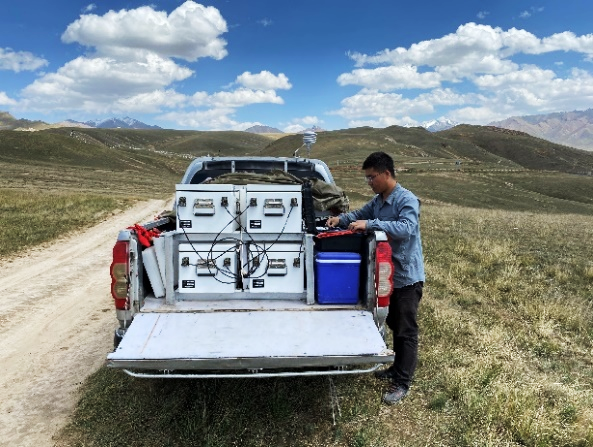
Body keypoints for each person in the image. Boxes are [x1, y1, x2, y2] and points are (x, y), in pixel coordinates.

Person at [326, 151, 425, 405]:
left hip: (406, 277)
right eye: (367, 178)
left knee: (406, 329)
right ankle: (396, 368)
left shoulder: (406, 200)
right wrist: (340, 220)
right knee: (392, 321)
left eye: (372, 177)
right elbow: (359, 214)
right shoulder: (379, 201)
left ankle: (402, 382)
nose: (369, 182)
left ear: (386, 173)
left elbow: (406, 229)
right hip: (386, 275)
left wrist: (370, 225)